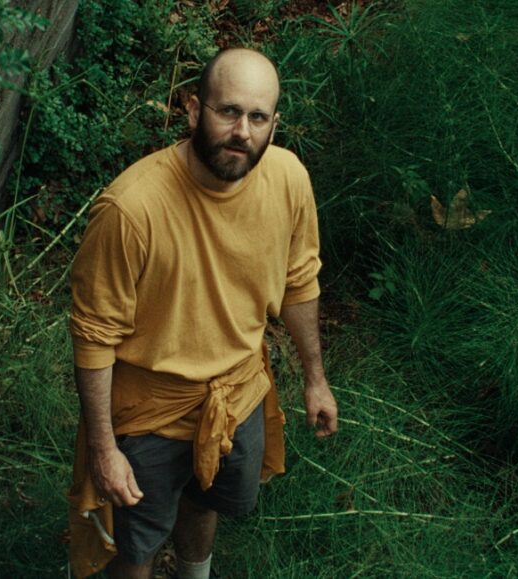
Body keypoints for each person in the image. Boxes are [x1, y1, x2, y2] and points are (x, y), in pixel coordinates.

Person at [66, 47, 338, 579]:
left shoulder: (287, 179)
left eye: (257, 117)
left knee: (206, 501)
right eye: (227, 111)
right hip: (149, 411)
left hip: (240, 393)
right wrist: (103, 450)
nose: (242, 131)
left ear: (274, 125)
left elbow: (299, 281)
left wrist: (315, 380)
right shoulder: (132, 208)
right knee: (134, 547)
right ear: (193, 110)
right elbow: (94, 335)